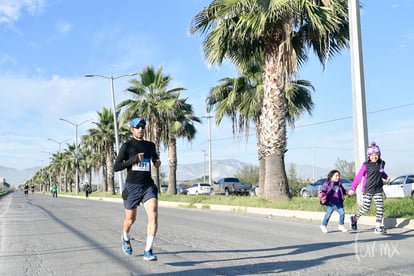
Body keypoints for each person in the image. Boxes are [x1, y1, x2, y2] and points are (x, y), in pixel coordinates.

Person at [114, 117, 161, 261]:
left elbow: (155, 159)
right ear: (132, 129)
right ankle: (125, 236)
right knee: (130, 219)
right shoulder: (127, 146)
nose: (141, 129)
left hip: (147, 186)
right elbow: (117, 167)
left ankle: (148, 251)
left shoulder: (150, 145)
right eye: (137, 127)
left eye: (142, 126)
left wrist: (157, 162)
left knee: (153, 214)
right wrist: (133, 160)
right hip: (131, 187)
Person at [348, 141, 391, 234]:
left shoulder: (381, 163)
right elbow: (359, 177)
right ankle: (354, 218)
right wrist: (353, 188)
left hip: (378, 189)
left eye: (376, 154)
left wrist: (386, 177)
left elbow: (381, 171)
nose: (374, 156)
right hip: (368, 189)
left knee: (380, 207)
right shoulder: (366, 165)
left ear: (379, 155)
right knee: (366, 207)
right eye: (371, 155)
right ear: (369, 156)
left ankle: (378, 227)